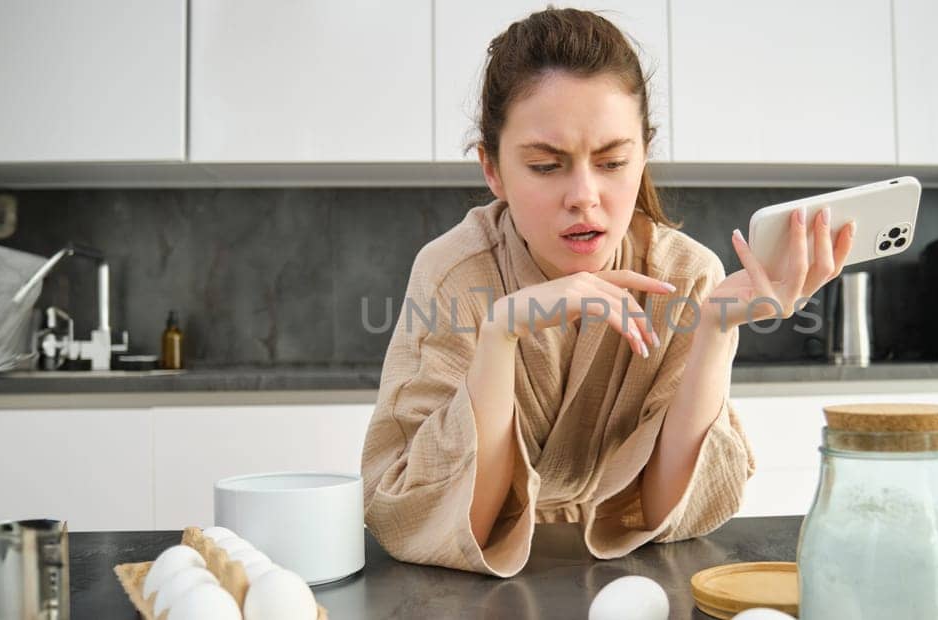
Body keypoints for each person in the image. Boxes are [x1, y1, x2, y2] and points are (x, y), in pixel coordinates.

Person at [360, 7, 854, 577]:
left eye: (613, 161)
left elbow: (668, 509)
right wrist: (499, 335)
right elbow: (441, 519)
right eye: (546, 166)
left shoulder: (687, 275)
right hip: (488, 578)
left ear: (643, 154)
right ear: (492, 169)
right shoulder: (453, 274)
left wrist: (716, 328)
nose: (584, 196)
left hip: (628, 571)